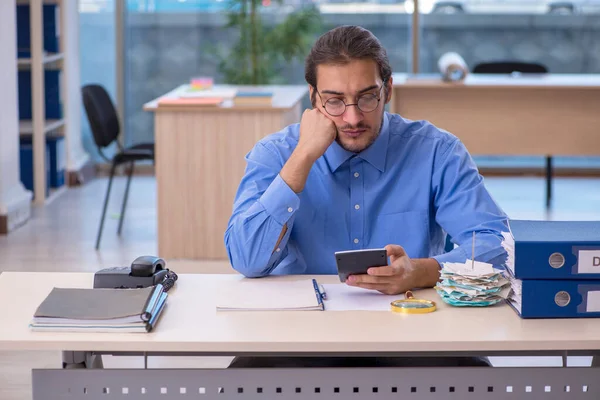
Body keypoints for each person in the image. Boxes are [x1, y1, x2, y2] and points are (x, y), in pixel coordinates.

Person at [224, 25, 508, 368]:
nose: (353, 116)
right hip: (301, 333)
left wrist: (422, 271)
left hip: (415, 327)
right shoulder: (277, 153)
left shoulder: (437, 151)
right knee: (246, 377)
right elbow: (246, 259)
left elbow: (498, 247)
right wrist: (301, 160)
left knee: (472, 375)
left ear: (388, 89)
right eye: (334, 101)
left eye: (367, 97)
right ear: (313, 98)